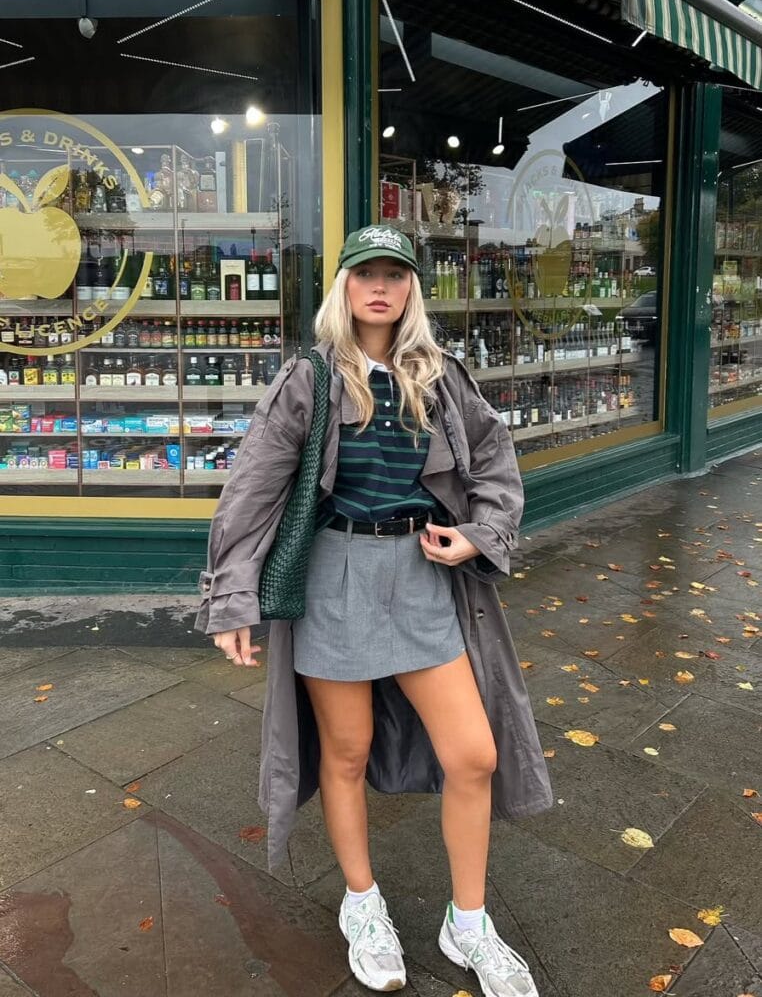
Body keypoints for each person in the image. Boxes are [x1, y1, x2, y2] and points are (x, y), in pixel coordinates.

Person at [196, 225, 553, 997]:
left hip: (420, 575)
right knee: (347, 750)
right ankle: (363, 905)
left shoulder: (441, 375)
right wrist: (232, 597)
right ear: (346, 288)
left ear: (411, 289)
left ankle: (468, 924)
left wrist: (478, 535)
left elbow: (495, 461)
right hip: (333, 578)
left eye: (395, 274)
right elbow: (252, 488)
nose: (380, 287)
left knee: (474, 755)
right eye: (366, 274)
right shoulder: (312, 378)